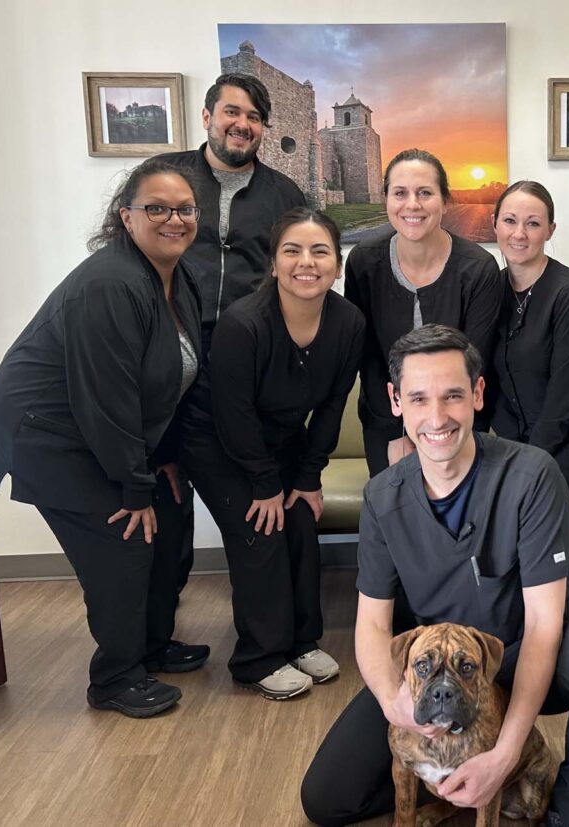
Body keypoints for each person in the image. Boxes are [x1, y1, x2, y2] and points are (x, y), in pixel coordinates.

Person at [301, 325, 569, 827]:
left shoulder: (531, 475)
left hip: (525, 657)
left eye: (453, 396)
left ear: (478, 395)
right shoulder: (383, 498)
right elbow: (372, 627)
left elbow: (545, 628)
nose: (436, 417)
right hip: (441, 674)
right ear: (396, 401)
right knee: (327, 799)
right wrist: (396, 702)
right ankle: (448, 785)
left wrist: (504, 756)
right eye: (419, 398)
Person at [0, 158, 210, 718]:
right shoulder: (110, 283)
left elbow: (172, 379)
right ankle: (115, 678)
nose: (173, 219)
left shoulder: (180, 275)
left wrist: (165, 462)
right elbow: (108, 398)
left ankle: (151, 644)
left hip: (98, 428)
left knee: (169, 518)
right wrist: (133, 488)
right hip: (47, 432)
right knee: (123, 539)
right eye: (156, 208)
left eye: (184, 209)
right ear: (125, 217)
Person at [185, 209, 364, 700]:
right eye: (292, 251)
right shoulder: (244, 324)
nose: (306, 262)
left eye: (320, 251)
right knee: (260, 529)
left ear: (338, 265)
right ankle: (258, 658)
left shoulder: (348, 322)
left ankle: (300, 642)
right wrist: (264, 485)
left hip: (281, 441)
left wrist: (307, 477)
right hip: (216, 441)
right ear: (273, 264)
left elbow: (331, 406)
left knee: (301, 521)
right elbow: (233, 415)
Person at [158, 73, 306, 591]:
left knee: (253, 509)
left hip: (246, 367)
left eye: (254, 117)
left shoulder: (283, 192)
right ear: (207, 116)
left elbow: (295, 271)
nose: (241, 125)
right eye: (232, 112)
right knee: (164, 506)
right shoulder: (166, 178)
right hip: (167, 365)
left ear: (263, 128)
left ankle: (273, 626)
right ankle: (156, 639)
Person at [345, 148, 502, 477]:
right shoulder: (363, 261)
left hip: (458, 423)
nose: (412, 204)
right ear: (386, 199)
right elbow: (369, 358)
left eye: (425, 193)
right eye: (400, 193)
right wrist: (396, 434)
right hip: (385, 423)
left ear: (445, 202)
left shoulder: (479, 268)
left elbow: (472, 362)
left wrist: (437, 431)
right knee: (397, 517)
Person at [490, 181, 569, 501]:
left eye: (532, 223)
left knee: (528, 509)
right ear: (494, 224)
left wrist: (530, 461)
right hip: (524, 436)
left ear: (550, 230)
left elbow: (566, 391)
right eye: (509, 221)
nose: (519, 233)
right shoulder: (491, 287)